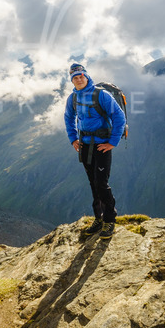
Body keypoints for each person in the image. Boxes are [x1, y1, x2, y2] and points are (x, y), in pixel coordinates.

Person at [64, 63, 126, 239]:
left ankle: (109, 220)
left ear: (86, 76)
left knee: (101, 183)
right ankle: (98, 218)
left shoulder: (101, 95)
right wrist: (73, 139)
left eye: (81, 76)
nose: (79, 79)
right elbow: (68, 118)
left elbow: (119, 117)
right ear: (72, 80)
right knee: (93, 183)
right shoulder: (73, 98)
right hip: (85, 146)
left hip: (102, 146)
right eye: (75, 78)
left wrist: (112, 142)